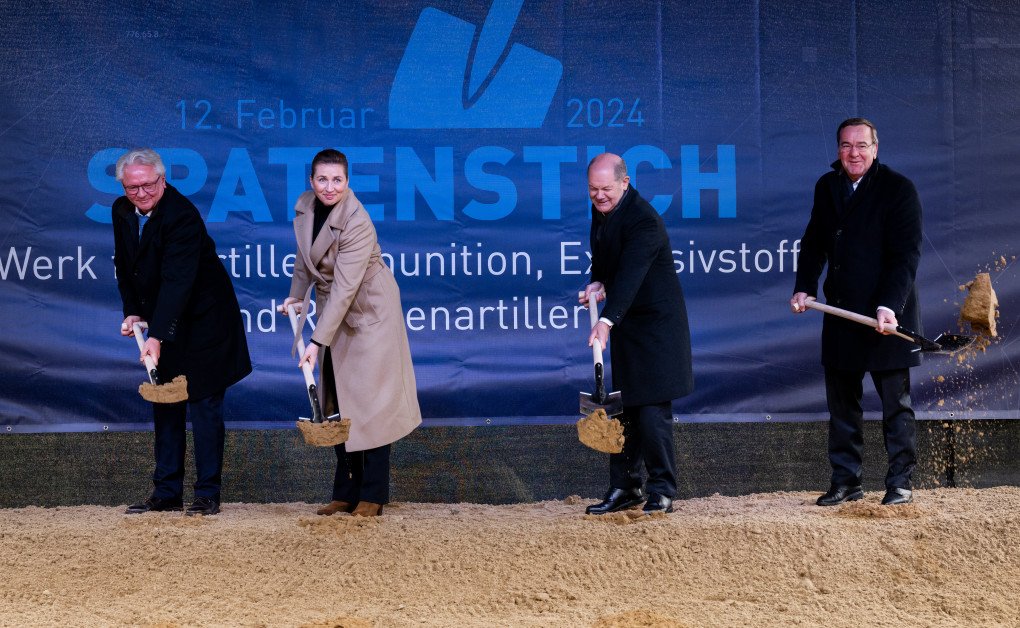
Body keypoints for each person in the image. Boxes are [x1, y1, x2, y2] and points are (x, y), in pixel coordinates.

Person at [280, 148, 422, 517]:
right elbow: (304, 260)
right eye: (322, 179)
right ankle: (345, 492)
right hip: (335, 310)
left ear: (348, 181)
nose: (330, 187)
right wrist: (296, 297)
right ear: (311, 181)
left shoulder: (357, 221)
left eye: (337, 180)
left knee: (371, 405)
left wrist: (315, 341)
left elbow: (345, 288)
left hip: (370, 312)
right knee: (338, 403)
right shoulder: (306, 207)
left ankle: (372, 495)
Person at [791, 117, 923, 507]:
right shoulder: (827, 186)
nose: (854, 153)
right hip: (841, 313)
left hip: (887, 316)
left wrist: (888, 306)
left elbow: (905, 257)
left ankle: (900, 482)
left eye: (862, 145)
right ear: (838, 150)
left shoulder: (899, 189)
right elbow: (814, 243)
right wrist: (804, 286)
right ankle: (846, 481)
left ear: (875, 148)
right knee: (842, 406)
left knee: (895, 405)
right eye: (847, 145)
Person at [113, 148, 252, 516]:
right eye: (132, 188)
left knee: (204, 405)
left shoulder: (182, 217)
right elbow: (127, 268)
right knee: (166, 403)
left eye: (147, 185)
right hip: (165, 319)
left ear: (163, 179)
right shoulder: (121, 211)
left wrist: (157, 335)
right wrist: (133, 312)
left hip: (205, 321)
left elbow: (178, 282)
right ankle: (166, 492)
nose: (140, 194)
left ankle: (207, 494)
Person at [579, 153, 694, 515]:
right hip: (629, 324)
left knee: (651, 412)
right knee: (623, 411)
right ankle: (625, 488)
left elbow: (630, 276)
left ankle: (662, 490)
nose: (599, 196)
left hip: (657, 328)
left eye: (606, 189)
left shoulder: (644, 220)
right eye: (593, 190)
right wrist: (597, 281)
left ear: (625, 183)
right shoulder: (602, 210)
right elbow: (606, 258)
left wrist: (606, 320)